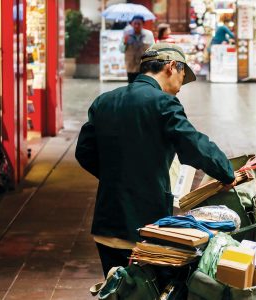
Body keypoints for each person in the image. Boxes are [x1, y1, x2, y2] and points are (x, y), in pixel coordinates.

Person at [75, 43, 236, 278]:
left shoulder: (105, 101)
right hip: (144, 225)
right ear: (171, 67)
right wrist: (226, 171)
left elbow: (84, 151)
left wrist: (116, 174)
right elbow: (194, 144)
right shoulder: (163, 103)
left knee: (117, 291)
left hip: (106, 223)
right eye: (183, 75)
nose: (181, 86)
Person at [120, 15, 155, 83]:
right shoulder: (127, 34)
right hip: (131, 67)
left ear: (143, 24)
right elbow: (121, 50)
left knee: (143, 86)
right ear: (132, 24)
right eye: (134, 23)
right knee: (131, 86)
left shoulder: (148, 34)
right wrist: (125, 42)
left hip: (144, 67)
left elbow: (153, 50)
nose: (136, 25)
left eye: (139, 23)